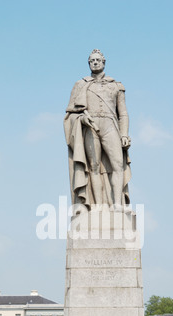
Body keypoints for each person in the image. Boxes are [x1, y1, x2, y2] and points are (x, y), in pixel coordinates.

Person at [64, 49, 132, 214]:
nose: (95, 62)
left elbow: (122, 113)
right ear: (89, 63)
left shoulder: (116, 86)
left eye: (98, 60)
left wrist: (124, 134)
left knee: (118, 164)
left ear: (104, 62)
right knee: (93, 167)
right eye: (92, 60)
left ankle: (117, 204)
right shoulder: (80, 84)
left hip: (110, 125)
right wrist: (81, 119)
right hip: (90, 125)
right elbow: (70, 113)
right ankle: (98, 206)